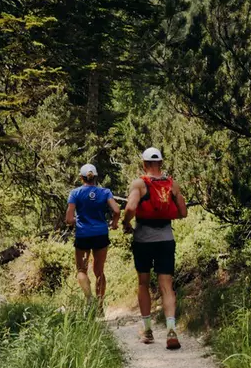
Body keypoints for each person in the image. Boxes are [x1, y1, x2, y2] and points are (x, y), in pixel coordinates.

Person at [124, 146, 187, 349]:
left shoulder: (139, 184)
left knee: (143, 283)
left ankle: (148, 330)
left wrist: (126, 223)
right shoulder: (172, 185)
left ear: (144, 164)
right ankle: (171, 330)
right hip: (166, 238)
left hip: (143, 239)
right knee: (166, 285)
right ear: (160, 163)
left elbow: (131, 207)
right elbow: (183, 212)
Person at [65, 163, 121, 307]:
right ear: (95, 177)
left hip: (83, 235)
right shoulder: (105, 192)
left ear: (81, 178)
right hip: (101, 234)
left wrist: (75, 221)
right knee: (99, 271)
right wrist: (114, 223)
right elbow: (116, 210)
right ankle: (100, 305)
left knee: (81, 269)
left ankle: (89, 299)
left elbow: (69, 219)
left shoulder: (75, 193)